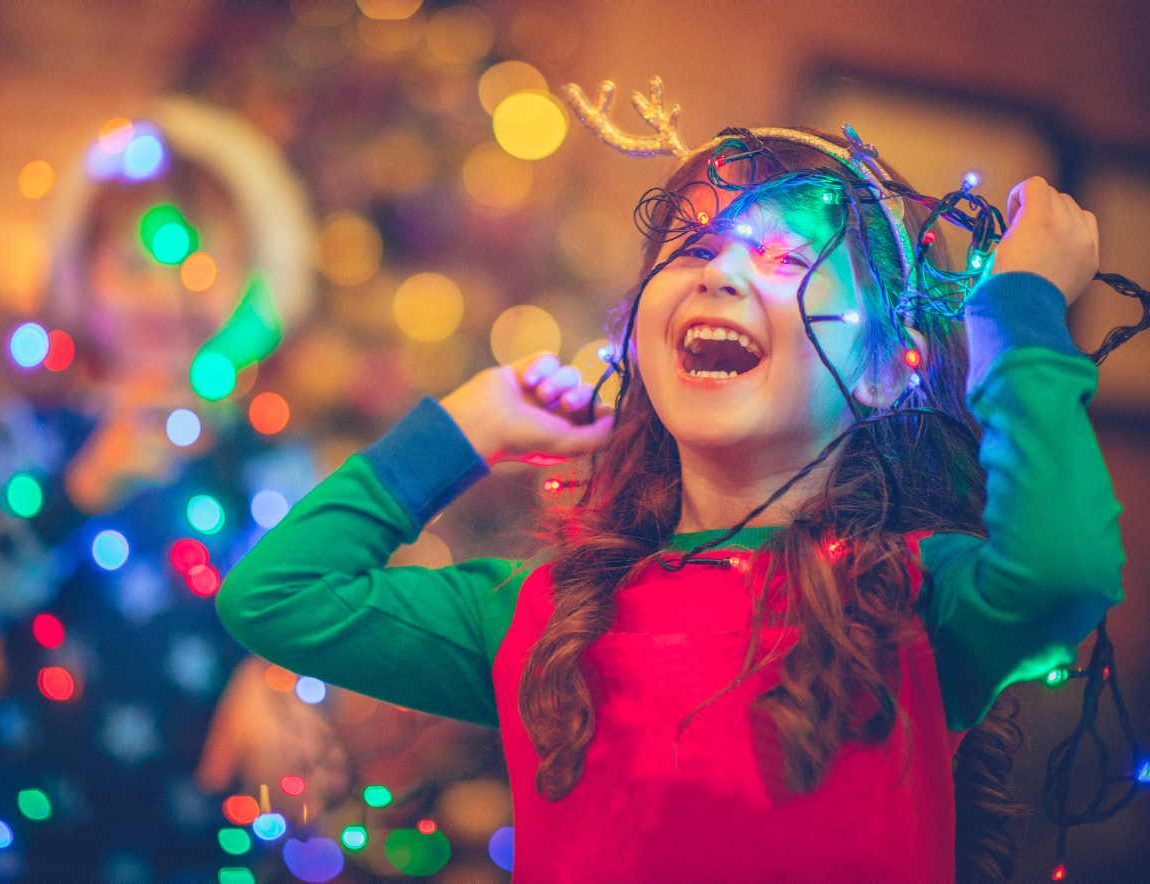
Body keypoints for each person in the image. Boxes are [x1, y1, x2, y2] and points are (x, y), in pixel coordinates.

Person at [216, 123, 1123, 883]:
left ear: (888, 370)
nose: (719, 274)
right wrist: (467, 426)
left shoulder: (912, 599)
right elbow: (276, 597)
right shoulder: (541, 617)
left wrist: (1019, 307)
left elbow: (1064, 569)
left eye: (781, 257)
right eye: (691, 248)